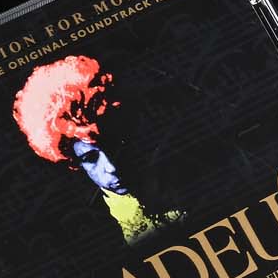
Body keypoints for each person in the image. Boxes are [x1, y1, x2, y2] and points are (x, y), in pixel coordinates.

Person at [11, 54, 180, 243]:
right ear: (73, 163)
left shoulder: (179, 179)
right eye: (91, 158)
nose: (111, 167)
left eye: (113, 145)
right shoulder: (87, 228)